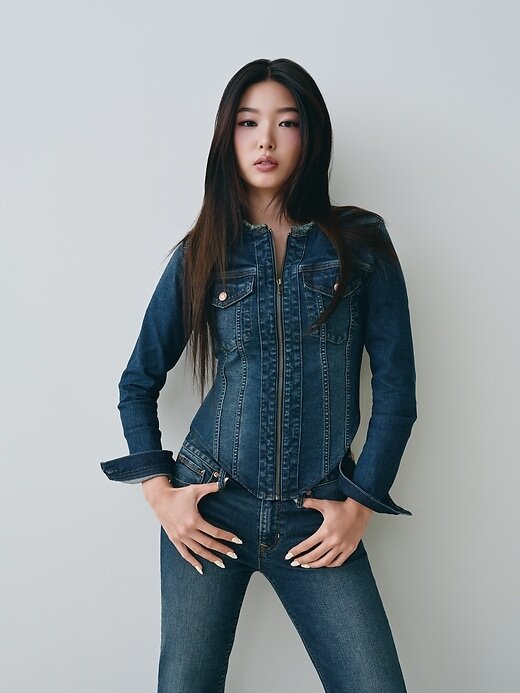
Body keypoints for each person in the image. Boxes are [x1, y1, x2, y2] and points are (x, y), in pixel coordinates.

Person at [100, 57, 417, 692]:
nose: (265, 139)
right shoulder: (202, 252)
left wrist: (360, 506)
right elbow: (137, 382)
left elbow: (397, 394)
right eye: (248, 122)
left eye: (286, 122)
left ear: (310, 135)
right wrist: (160, 495)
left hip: (316, 517)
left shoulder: (361, 242)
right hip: (210, 509)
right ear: (229, 136)